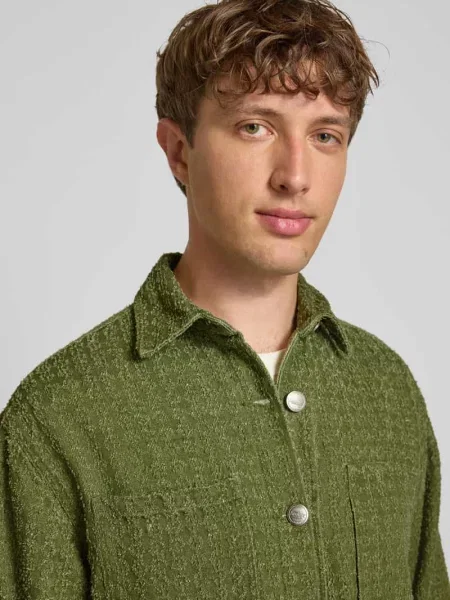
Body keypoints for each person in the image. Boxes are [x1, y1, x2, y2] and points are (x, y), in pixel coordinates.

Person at [1, 0, 449, 597]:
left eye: (325, 135)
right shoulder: (57, 416)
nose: (295, 176)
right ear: (178, 151)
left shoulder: (386, 390)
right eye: (255, 127)